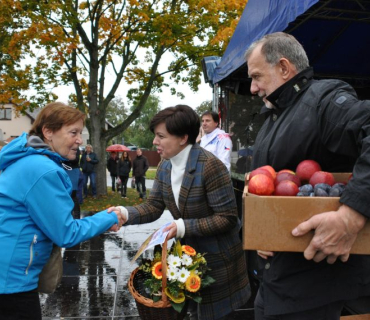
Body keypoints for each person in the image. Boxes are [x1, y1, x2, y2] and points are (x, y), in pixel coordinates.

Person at [245, 32, 370, 319]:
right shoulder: (273, 118)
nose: (252, 88)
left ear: (285, 68)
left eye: (257, 77)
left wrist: (351, 216)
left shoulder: (323, 101)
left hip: (315, 291)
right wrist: (263, 232)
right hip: (274, 282)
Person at [109, 105, 250, 320]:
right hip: (189, 260)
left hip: (218, 262)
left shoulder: (211, 167)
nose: (155, 142)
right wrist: (123, 213)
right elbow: (154, 206)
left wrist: (183, 226)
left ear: (183, 138)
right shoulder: (165, 166)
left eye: (160, 136)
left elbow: (228, 218)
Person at [0, 102, 125, 320]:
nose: (79, 140)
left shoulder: (28, 160)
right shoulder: (42, 169)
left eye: (80, 133)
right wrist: (110, 217)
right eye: (73, 132)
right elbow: (66, 233)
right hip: (11, 284)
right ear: (48, 132)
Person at [62, 147, 82, 219]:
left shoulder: (75, 148)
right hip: (64, 170)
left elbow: (76, 159)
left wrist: (65, 158)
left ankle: (76, 216)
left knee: (73, 193)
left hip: (73, 170)